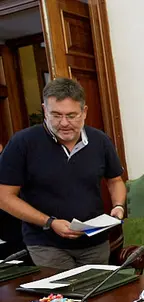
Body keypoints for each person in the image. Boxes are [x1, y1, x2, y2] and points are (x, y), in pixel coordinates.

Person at [0, 78, 126, 269]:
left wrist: (118, 206)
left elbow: (115, 180)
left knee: (99, 296)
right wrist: (49, 222)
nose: (64, 123)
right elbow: (3, 197)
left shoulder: (100, 141)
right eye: (56, 115)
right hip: (46, 243)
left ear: (84, 112)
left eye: (72, 115)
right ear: (44, 110)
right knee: (64, 297)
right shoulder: (22, 143)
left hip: (95, 242)